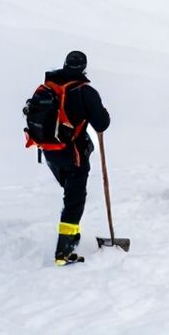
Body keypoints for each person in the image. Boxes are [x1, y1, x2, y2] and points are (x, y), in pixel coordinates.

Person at [35, 50, 110, 266]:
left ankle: (73, 237)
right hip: (73, 153)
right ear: (84, 67)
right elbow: (102, 124)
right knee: (74, 200)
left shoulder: (49, 86)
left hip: (49, 151)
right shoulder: (85, 91)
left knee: (71, 195)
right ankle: (64, 252)